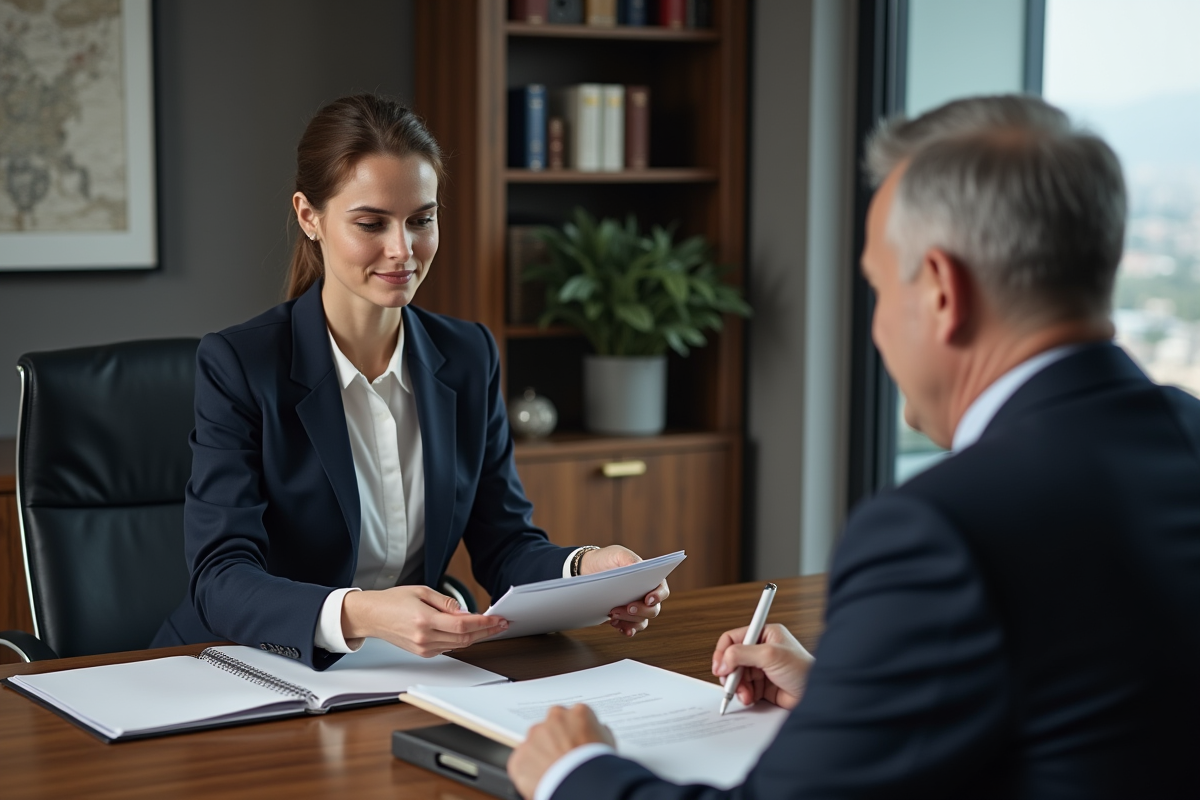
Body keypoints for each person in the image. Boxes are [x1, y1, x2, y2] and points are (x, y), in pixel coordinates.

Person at [508, 94, 1200, 798]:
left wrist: (576, 773)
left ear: (939, 291)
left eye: (876, 287)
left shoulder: (940, 532)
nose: (875, 328)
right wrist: (854, 703)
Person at [152, 95, 668, 671]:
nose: (403, 250)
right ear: (309, 216)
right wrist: (363, 613)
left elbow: (505, 543)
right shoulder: (239, 364)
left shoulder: (468, 355)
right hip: (240, 668)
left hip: (399, 675)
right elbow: (220, 579)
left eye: (421, 219)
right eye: (371, 223)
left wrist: (587, 571)